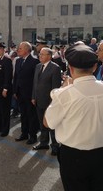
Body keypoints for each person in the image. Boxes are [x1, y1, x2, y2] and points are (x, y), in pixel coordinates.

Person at [44, 43, 103, 191]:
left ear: (70, 68)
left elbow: (47, 123)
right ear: (95, 67)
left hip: (74, 156)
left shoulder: (65, 94)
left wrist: (63, 90)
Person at [32, 47, 62, 155]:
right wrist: (33, 97)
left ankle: (55, 146)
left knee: (51, 125)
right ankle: (43, 143)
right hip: (39, 100)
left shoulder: (55, 68)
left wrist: (52, 103)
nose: (40, 56)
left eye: (42, 54)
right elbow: (35, 84)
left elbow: (55, 88)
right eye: (40, 54)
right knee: (42, 123)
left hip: (49, 102)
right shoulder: (38, 66)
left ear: (49, 56)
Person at [13, 42, 40, 144]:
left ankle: (33, 136)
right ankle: (24, 133)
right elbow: (16, 77)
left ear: (27, 50)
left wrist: (34, 95)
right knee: (23, 115)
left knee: (31, 115)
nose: (18, 50)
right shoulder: (19, 61)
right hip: (20, 93)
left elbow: (36, 80)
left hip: (29, 94)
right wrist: (15, 90)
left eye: (20, 48)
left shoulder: (34, 62)